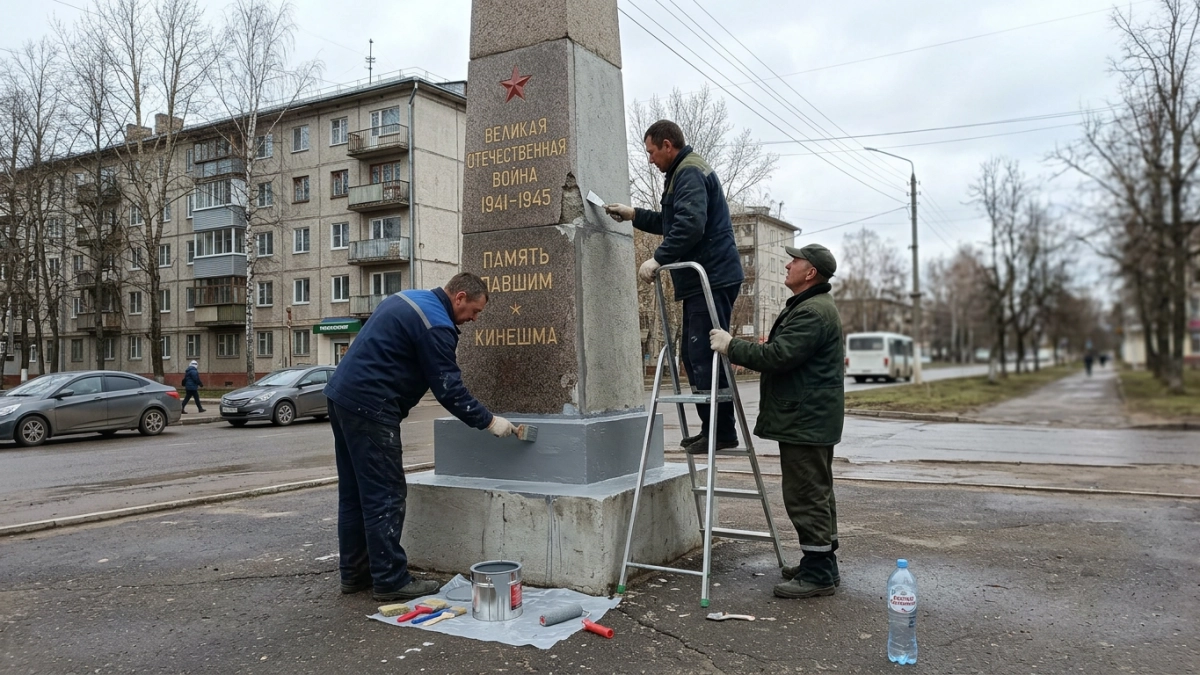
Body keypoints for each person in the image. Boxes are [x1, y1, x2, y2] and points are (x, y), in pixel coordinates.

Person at [323, 272, 515, 602]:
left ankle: (355, 574)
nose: (473, 320)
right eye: (474, 311)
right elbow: (448, 389)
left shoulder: (409, 298)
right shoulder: (437, 325)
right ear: (459, 297)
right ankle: (390, 579)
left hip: (342, 397)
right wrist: (489, 421)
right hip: (371, 406)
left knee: (355, 494)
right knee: (385, 493)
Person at [708, 243, 844, 599]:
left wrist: (731, 344)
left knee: (805, 494)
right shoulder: (811, 306)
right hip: (808, 418)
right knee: (815, 491)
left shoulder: (813, 312)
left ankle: (819, 574)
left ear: (810, 272)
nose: (788, 264)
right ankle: (821, 562)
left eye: (795, 260)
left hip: (806, 420)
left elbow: (778, 355)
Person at [605, 119, 744, 454]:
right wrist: (633, 214)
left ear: (668, 145)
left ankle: (720, 432)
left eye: (652, 152)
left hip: (711, 278)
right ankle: (714, 429)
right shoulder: (680, 175)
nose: (650, 159)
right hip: (703, 280)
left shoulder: (689, 173)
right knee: (693, 354)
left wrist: (658, 258)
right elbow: (672, 221)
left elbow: (690, 226)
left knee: (702, 355)